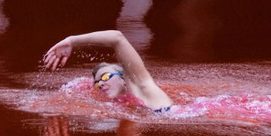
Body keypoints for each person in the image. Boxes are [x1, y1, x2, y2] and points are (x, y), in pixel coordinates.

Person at [43, 30, 174, 113]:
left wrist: (72, 41)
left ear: (123, 78)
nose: (100, 84)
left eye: (105, 77)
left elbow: (118, 38)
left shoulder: (144, 87)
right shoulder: (128, 104)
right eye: (97, 82)